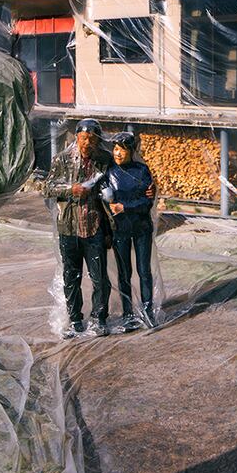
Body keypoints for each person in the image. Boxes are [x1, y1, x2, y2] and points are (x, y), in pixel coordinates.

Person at [44, 118, 113, 338]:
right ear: (77, 138)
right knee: (71, 276)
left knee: (100, 277)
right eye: (84, 138)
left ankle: (99, 318)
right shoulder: (63, 159)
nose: (87, 144)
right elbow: (47, 188)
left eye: (92, 140)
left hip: (94, 226)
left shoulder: (104, 160)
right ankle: (75, 320)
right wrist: (70, 189)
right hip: (69, 227)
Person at [101, 131, 157, 330]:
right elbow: (105, 200)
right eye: (115, 149)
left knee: (144, 271)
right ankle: (128, 314)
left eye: (122, 150)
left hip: (141, 227)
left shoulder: (142, 170)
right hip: (120, 229)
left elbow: (147, 202)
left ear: (131, 151)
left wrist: (126, 207)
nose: (118, 153)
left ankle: (148, 311)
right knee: (124, 273)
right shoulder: (109, 172)